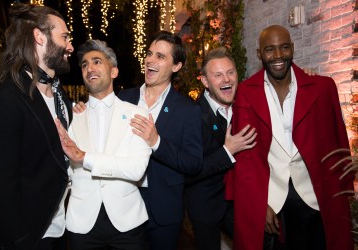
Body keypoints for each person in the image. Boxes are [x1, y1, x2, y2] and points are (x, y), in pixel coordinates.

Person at [224, 24, 354, 250]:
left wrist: (345, 187)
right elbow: (246, 157)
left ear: (293, 48)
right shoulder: (246, 92)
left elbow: (338, 141)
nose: (278, 55)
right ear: (259, 54)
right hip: (273, 196)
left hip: (315, 194)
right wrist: (259, 203)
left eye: (284, 47)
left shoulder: (322, 87)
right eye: (269, 49)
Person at [0, 3, 73, 250]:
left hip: (61, 230)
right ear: (39, 37)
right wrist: (19, 241)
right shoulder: (4, 99)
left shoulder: (62, 98)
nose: (70, 46)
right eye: (64, 37)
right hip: (28, 237)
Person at [54, 39, 152, 250]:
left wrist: (85, 158)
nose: (90, 68)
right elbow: (66, 170)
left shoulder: (138, 114)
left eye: (97, 61)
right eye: (84, 64)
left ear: (114, 71)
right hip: (81, 223)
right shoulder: (72, 116)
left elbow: (136, 169)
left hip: (127, 222)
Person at [117, 30, 203, 250]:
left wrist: (156, 142)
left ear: (176, 66)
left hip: (163, 211)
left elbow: (193, 163)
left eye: (160, 56)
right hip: (123, 202)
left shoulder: (188, 110)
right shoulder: (122, 99)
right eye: (149, 53)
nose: (150, 60)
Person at [184, 46, 257, 250]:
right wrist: (227, 151)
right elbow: (189, 172)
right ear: (205, 81)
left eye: (230, 72)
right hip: (205, 206)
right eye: (218, 75)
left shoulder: (245, 104)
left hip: (241, 202)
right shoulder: (191, 115)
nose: (226, 79)